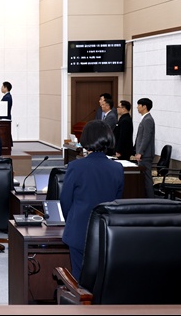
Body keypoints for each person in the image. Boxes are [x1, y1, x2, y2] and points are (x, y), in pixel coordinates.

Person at [60, 120, 124, 281]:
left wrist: (72, 220)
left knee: (79, 280)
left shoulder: (76, 166)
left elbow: (65, 201)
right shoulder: (117, 168)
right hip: (106, 233)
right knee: (102, 279)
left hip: (79, 232)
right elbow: (117, 202)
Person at [134, 97, 156, 198]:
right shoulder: (145, 119)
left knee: (147, 178)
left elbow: (146, 138)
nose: (137, 107)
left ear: (144, 106)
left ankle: (151, 200)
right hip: (143, 154)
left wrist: (140, 152)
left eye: (139, 105)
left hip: (145, 154)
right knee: (143, 178)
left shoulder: (148, 120)